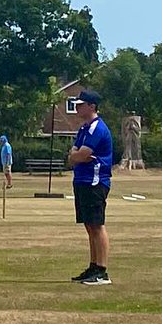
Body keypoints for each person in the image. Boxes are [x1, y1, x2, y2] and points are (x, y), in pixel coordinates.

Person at [68, 90, 113, 285]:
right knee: (89, 225)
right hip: (82, 181)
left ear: (92, 106)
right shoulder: (84, 129)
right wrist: (76, 156)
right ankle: (93, 266)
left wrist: (76, 156)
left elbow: (81, 154)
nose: (77, 108)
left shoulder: (97, 128)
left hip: (95, 182)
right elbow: (74, 155)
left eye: (81, 104)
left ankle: (102, 271)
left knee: (97, 225)